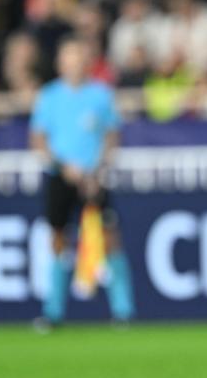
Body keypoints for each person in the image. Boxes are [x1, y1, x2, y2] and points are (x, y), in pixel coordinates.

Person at [30, 38, 135, 329]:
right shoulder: (49, 96)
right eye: (69, 57)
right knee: (58, 240)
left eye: (78, 57)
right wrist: (63, 166)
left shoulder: (100, 95)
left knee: (109, 237)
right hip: (60, 176)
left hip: (93, 178)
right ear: (60, 63)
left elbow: (111, 136)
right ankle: (53, 312)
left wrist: (97, 170)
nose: (74, 63)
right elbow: (39, 139)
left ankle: (123, 311)